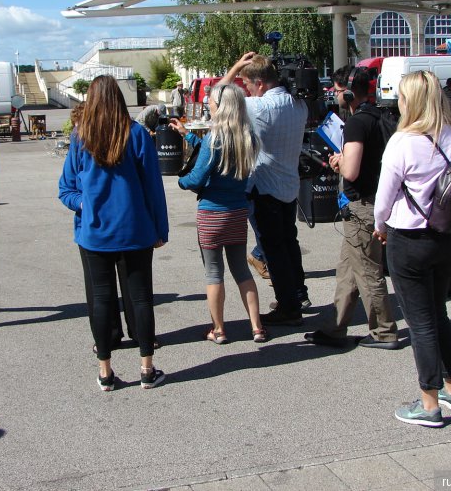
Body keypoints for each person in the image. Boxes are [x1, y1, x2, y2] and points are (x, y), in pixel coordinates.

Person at [59, 75, 169, 392]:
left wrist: (84, 204)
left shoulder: (82, 137)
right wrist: (160, 229)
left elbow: (66, 189)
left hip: (95, 233)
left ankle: (105, 372)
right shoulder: (137, 134)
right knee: (140, 298)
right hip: (136, 230)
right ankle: (147, 369)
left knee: (101, 299)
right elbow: (154, 188)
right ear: (119, 99)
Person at [373, 70, 451, 428]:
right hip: (448, 235)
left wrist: (380, 226)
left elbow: (384, 199)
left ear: (409, 101)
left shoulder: (403, 141)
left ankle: (429, 403)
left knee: (420, 322)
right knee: (438, 312)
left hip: (410, 238)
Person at [305, 68, 400, 350]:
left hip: (361, 206)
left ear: (347, 92)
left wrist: (339, 162)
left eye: (336, 90)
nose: (334, 95)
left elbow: (352, 171)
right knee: (348, 271)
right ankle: (335, 329)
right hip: (374, 202)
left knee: (368, 271)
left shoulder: (357, 123)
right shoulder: (379, 115)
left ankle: (384, 332)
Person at [171, 84, 267, 344]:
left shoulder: (214, 138)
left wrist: (181, 181)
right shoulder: (248, 137)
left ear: (221, 105)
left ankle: (219, 330)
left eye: (211, 101)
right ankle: (257, 327)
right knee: (242, 271)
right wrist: (188, 136)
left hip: (212, 214)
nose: (208, 105)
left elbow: (197, 176)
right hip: (237, 212)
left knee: (214, 273)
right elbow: (215, 154)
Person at [220, 52, 309, 326]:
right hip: (289, 185)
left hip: (264, 187)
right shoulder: (299, 104)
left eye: (247, 84)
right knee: (289, 243)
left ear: (259, 83)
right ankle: (298, 295)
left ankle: (289, 309)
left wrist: (235, 66)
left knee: (273, 249)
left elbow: (218, 97)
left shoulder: (258, 107)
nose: (246, 89)